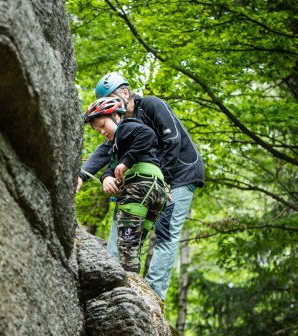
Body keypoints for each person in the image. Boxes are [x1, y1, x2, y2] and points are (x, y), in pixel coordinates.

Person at [78, 72, 205, 300]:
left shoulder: (152, 106)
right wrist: (84, 176)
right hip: (152, 178)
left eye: (114, 99)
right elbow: (108, 151)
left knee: (166, 231)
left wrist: (161, 182)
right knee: (130, 218)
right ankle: (118, 278)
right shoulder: (121, 125)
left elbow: (172, 140)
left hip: (181, 174)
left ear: (125, 93)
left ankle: (155, 296)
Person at [83, 97, 167, 273]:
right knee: (134, 245)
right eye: (98, 131)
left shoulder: (126, 127)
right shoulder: (118, 146)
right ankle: (137, 291)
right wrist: (105, 178)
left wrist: (126, 162)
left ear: (115, 115)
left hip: (138, 188)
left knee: (126, 252)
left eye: (103, 125)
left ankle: (127, 295)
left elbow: (148, 135)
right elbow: (112, 166)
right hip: (157, 192)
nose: (102, 132)